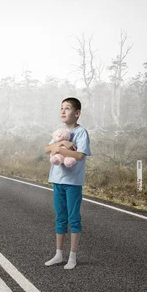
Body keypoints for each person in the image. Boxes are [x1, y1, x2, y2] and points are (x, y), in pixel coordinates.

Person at [44, 97, 91, 270]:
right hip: (57, 181)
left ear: (77, 113)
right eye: (61, 108)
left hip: (73, 182)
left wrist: (59, 148)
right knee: (60, 217)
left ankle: (72, 256)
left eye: (68, 108)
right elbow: (47, 149)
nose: (63, 111)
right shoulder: (60, 132)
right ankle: (58, 254)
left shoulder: (81, 133)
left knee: (73, 218)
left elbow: (79, 155)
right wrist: (64, 144)